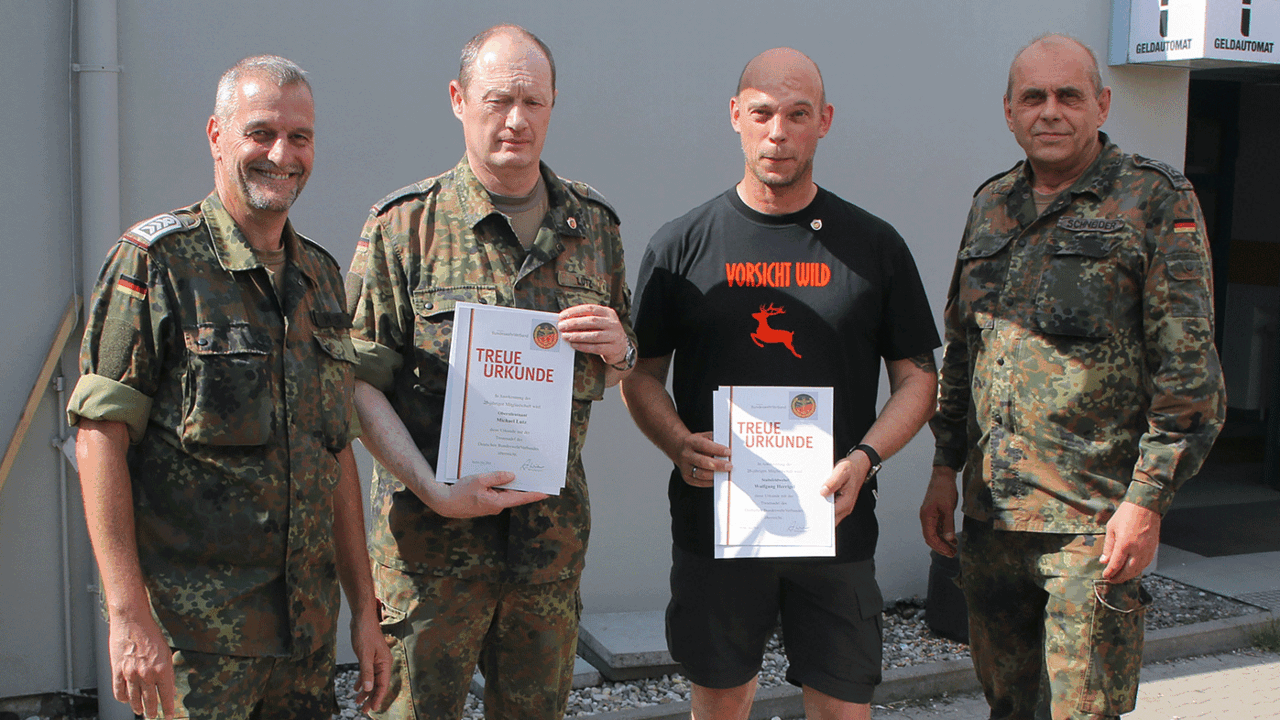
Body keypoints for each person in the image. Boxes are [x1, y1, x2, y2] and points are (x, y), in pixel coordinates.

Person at [621, 48, 939, 720]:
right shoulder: (681, 246)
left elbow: (917, 379)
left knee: (842, 709)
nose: (778, 132)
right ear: (736, 115)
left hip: (834, 525)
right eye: (763, 113)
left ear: (824, 121)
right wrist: (677, 443)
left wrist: (866, 457)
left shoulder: (874, 246)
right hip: (716, 526)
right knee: (721, 702)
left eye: (798, 114)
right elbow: (640, 375)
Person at [68, 55, 390, 719]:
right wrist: (127, 616)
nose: (282, 154)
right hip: (197, 646)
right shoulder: (157, 263)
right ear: (217, 136)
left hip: (303, 642)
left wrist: (365, 611)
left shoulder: (322, 278)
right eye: (260, 133)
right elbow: (99, 438)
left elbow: (335, 453)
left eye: (299, 137)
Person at [921, 34, 1226, 720]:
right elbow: (963, 351)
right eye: (1033, 97)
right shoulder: (991, 204)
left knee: (1082, 713)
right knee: (1007, 707)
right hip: (993, 518)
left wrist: (1147, 502)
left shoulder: (1153, 199)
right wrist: (944, 469)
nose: (1050, 111)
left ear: (1102, 104)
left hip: (1092, 526)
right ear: (1009, 111)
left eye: (1069, 96)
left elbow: (1189, 374)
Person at [345, 24, 635, 720]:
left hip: (545, 553)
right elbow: (355, 383)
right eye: (498, 99)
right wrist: (434, 489)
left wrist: (620, 351)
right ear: (459, 99)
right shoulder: (403, 227)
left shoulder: (593, 227)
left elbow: (614, 372)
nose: (516, 120)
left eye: (533, 101)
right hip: (428, 555)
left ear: (553, 104)